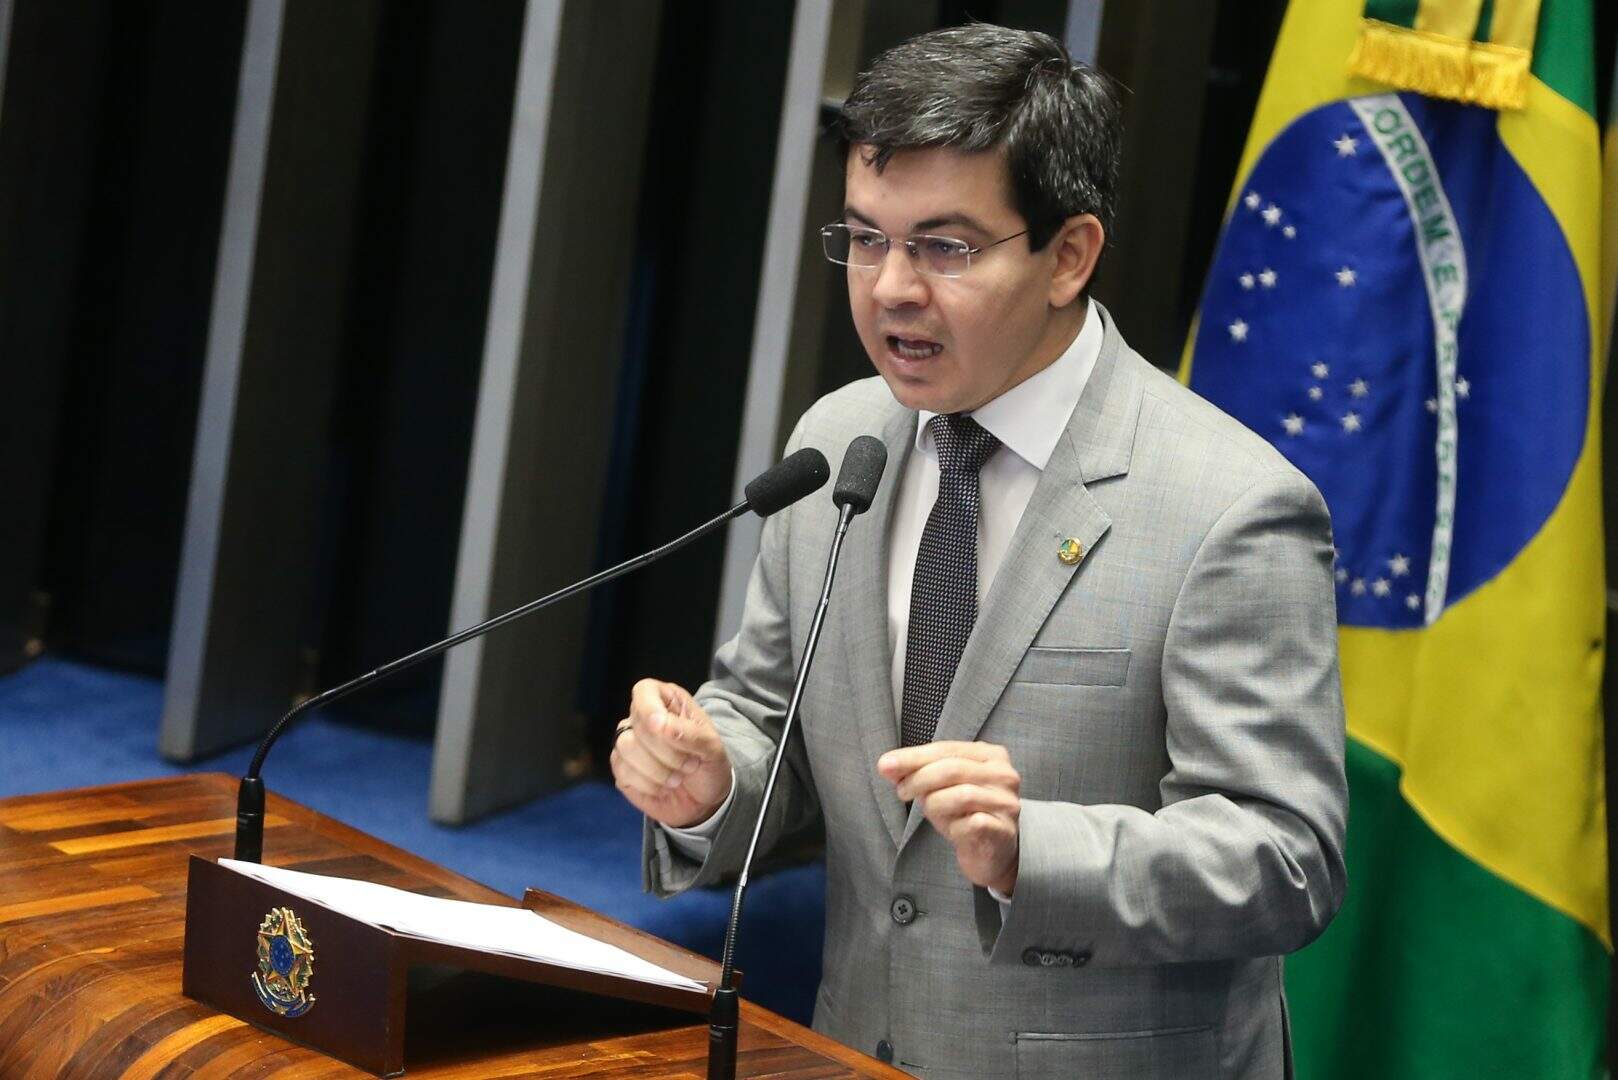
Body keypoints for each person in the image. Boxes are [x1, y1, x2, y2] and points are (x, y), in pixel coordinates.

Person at [610, 23, 1347, 1080]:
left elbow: (1286, 859)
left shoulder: (1228, 506)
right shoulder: (840, 442)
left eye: (944, 248)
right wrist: (711, 779)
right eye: (866, 238)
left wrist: (1031, 852)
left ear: (1069, 256)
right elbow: (771, 713)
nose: (891, 288)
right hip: (855, 1048)